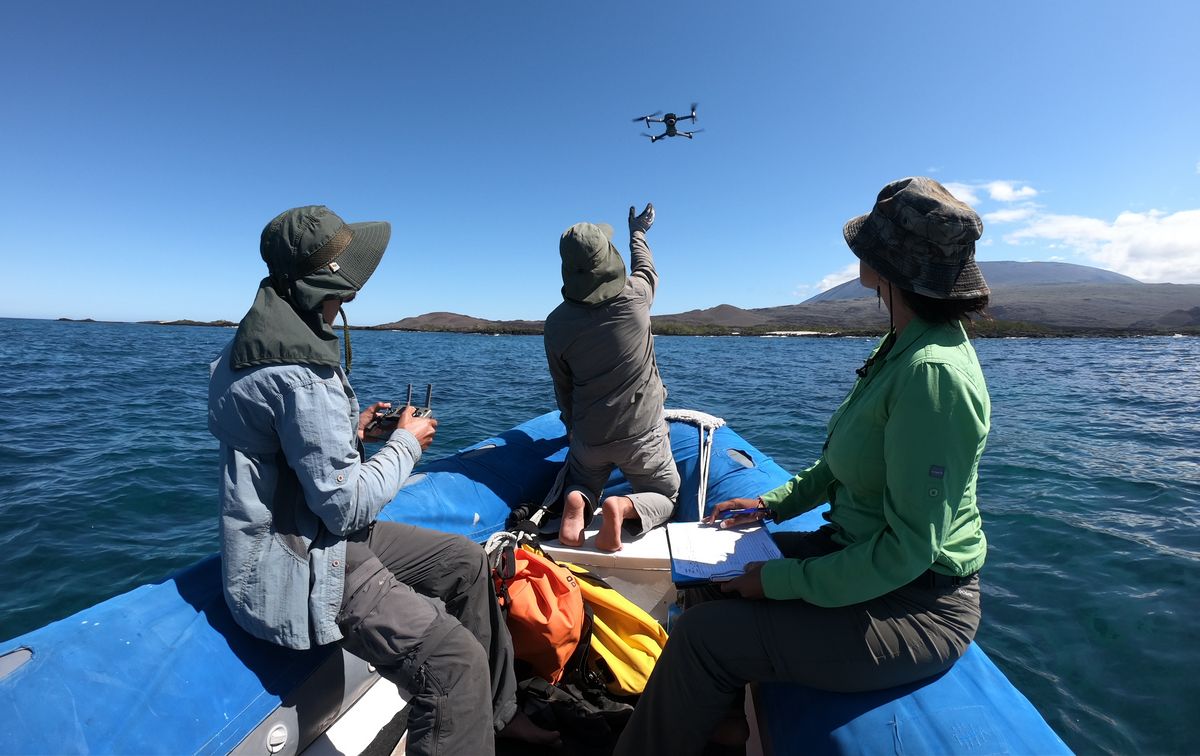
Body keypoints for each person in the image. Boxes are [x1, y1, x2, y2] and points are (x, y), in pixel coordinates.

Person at [614, 177, 993, 755]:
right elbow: (842, 463)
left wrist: (779, 580)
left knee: (700, 635)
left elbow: (909, 550)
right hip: (858, 558)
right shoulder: (900, 347)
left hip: (918, 603)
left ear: (884, 265)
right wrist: (772, 504)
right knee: (707, 580)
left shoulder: (932, 374)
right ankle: (717, 725)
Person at [208, 205, 556, 756]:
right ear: (321, 284)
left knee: (465, 562)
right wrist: (404, 444)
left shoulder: (243, 351)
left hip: (305, 535)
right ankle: (466, 709)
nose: (350, 295)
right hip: (307, 561)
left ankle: (494, 718)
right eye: (343, 284)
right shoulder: (304, 375)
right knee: (453, 660)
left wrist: (354, 428)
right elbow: (345, 508)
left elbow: (283, 446)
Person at [543, 203, 680, 553]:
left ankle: (578, 499)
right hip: (641, 434)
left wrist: (572, 425)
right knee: (666, 494)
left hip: (590, 435)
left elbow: (564, 386)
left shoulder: (556, 324)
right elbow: (645, 266)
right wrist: (638, 231)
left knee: (584, 479)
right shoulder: (635, 297)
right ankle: (623, 507)